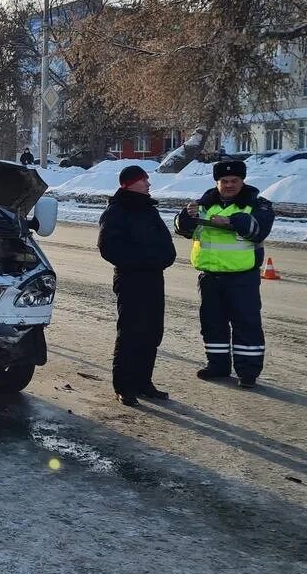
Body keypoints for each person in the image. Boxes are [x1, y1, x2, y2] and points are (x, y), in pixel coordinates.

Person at [173, 159, 275, 388]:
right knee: (212, 323)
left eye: (234, 181)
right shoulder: (204, 204)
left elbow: (259, 230)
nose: (229, 185)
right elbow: (181, 229)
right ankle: (217, 365)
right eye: (224, 181)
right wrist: (186, 216)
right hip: (210, 277)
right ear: (217, 182)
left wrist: (231, 221)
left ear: (242, 180)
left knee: (246, 325)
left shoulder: (257, 204)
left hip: (242, 277)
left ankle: (248, 373)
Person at [97, 165, 177, 406]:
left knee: (152, 332)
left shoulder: (150, 210)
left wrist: (162, 259)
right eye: (145, 180)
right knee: (131, 332)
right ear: (130, 183)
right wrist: (142, 261)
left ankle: (144, 382)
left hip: (153, 279)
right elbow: (109, 248)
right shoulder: (116, 211)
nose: (149, 184)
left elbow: (166, 245)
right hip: (130, 279)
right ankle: (124, 386)